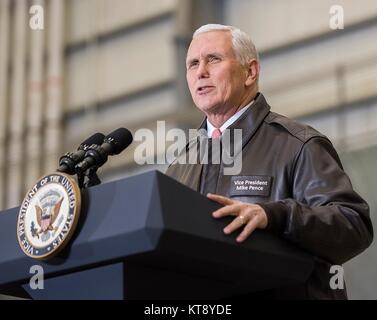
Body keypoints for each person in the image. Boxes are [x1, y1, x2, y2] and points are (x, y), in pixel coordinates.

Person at [165, 24, 373, 299]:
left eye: (213, 59)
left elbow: (353, 224)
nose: (200, 72)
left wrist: (277, 216)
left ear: (250, 72)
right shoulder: (180, 165)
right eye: (192, 63)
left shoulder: (298, 144)